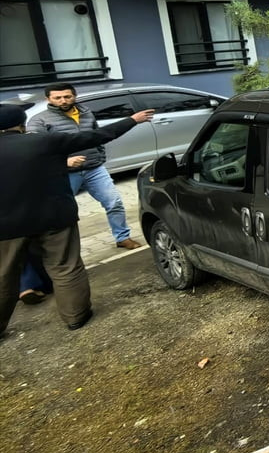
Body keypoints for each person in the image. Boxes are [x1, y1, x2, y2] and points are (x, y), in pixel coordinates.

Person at [0, 101, 154, 336]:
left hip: (7, 225)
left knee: (5, 274)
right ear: (21, 124)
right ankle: (76, 317)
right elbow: (99, 135)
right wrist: (132, 120)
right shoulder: (46, 141)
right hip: (55, 217)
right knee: (65, 267)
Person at [26, 83, 143, 250]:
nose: (63, 100)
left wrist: (99, 156)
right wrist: (64, 162)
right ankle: (63, 249)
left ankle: (122, 237)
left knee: (114, 202)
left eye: (67, 96)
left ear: (74, 95)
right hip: (64, 174)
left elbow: (98, 136)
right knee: (64, 212)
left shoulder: (86, 113)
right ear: (48, 99)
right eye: (57, 98)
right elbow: (36, 149)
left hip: (94, 168)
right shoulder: (39, 120)